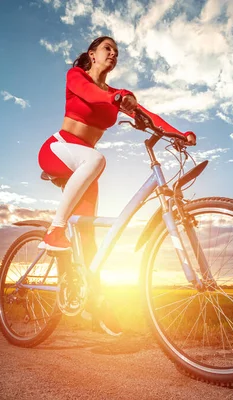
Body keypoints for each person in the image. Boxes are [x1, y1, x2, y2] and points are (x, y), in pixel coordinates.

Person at [37, 36, 196, 336]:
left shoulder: (115, 95)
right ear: (92, 55)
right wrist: (118, 97)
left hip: (85, 165)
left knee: (89, 241)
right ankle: (55, 229)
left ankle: (93, 303)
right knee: (97, 160)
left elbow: (150, 118)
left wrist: (178, 134)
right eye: (106, 48)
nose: (112, 53)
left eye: (116, 51)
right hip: (58, 150)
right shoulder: (77, 77)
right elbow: (90, 94)